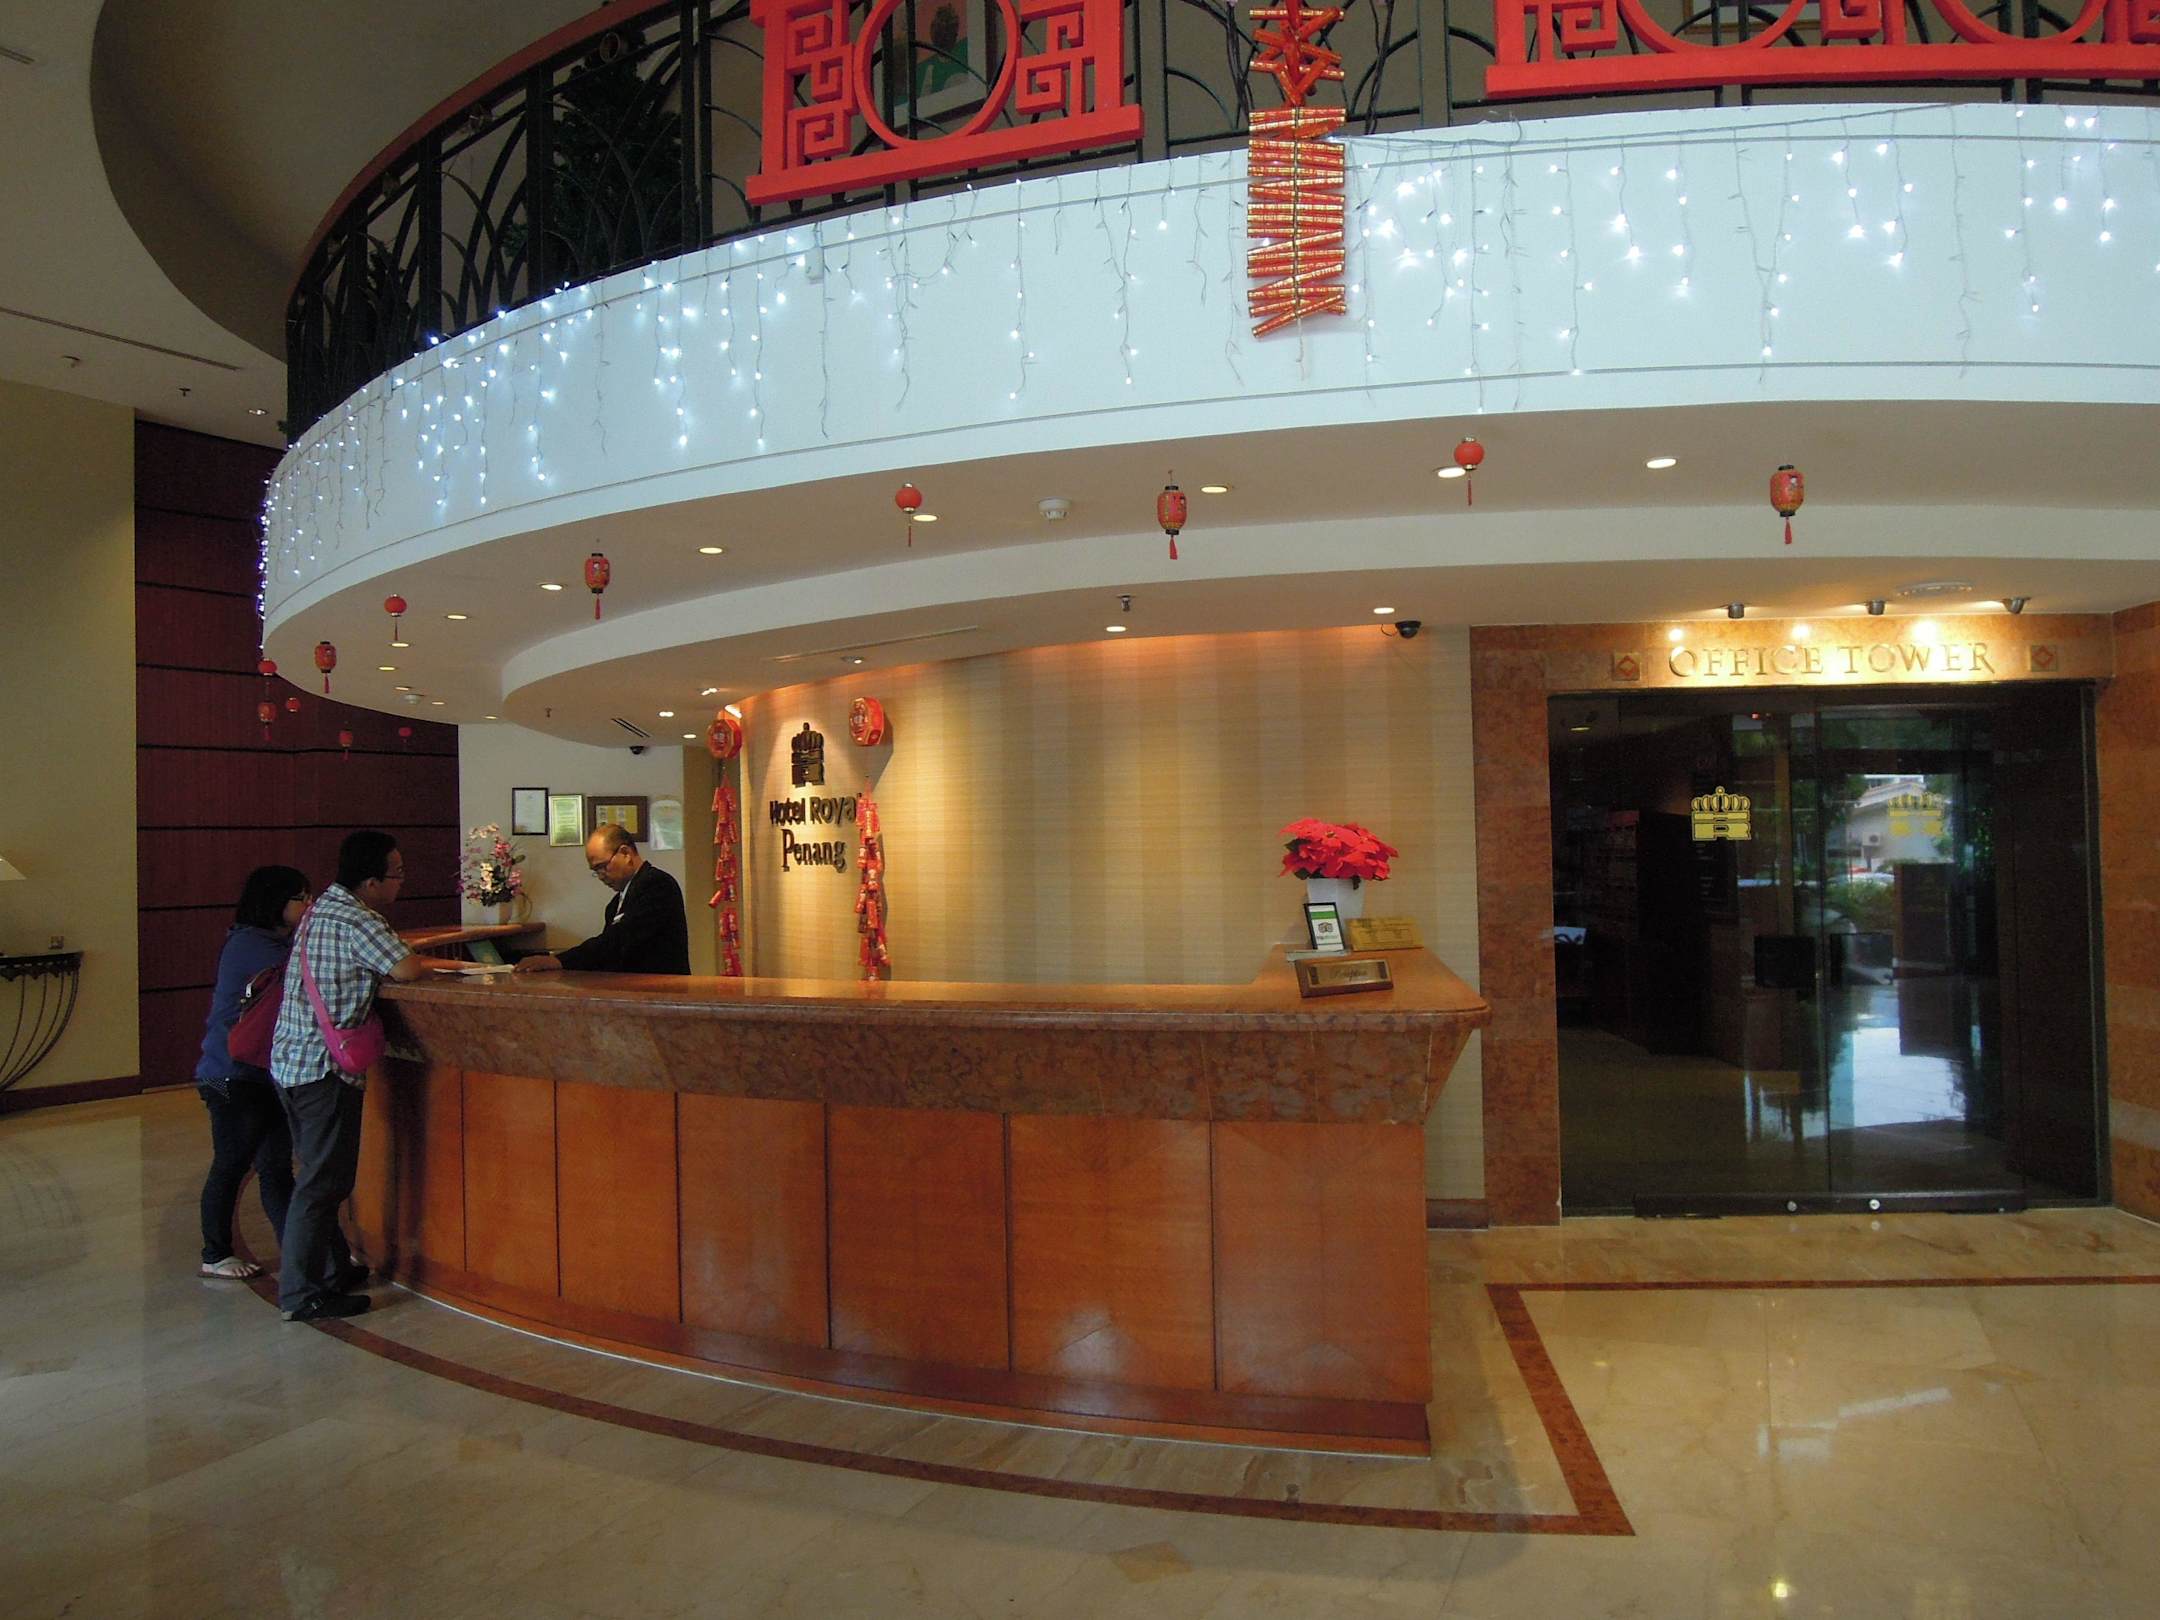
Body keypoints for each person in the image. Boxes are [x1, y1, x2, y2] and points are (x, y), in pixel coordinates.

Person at [269, 830, 431, 1321]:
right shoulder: (358, 919)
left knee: (318, 1177)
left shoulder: (321, 908)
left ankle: (332, 1270)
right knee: (322, 1184)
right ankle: (301, 1294)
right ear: (371, 881)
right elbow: (406, 969)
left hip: (291, 1062)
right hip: (324, 1068)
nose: (402, 882)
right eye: (397, 873)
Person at [193, 865, 308, 1279]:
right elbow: (308, 974)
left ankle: (299, 1252)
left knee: (275, 1166)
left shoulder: (276, 942)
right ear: (275, 903)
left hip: (256, 1073)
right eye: (301, 898)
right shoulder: (253, 945)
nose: (308, 905)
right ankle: (215, 1253)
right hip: (226, 1075)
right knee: (232, 1162)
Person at [514, 824, 690, 976]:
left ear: (625, 853)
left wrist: (559, 961)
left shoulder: (657, 884)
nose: (601, 876)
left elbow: (619, 941)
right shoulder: (614, 904)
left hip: (661, 993)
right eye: (595, 871)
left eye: (602, 867)